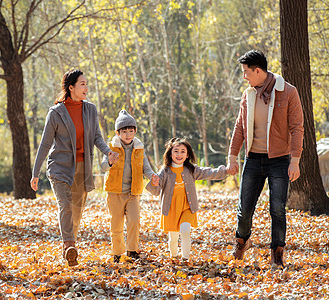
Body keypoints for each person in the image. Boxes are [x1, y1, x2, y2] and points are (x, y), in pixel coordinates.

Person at [30, 69, 118, 267]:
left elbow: (96, 137)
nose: (86, 87)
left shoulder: (90, 110)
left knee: (77, 211)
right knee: (66, 205)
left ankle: (69, 247)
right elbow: (45, 144)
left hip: (82, 167)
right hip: (60, 167)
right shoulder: (56, 113)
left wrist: (108, 152)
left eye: (87, 84)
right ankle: (69, 245)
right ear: (71, 87)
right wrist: (35, 173)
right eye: (82, 84)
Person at [226, 50, 304, 267]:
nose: (244, 77)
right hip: (252, 159)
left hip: (279, 160)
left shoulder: (288, 92)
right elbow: (240, 127)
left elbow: (297, 128)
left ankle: (277, 252)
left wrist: (295, 160)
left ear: (258, 71)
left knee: (277, 209)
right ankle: (242, 242)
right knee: (244, 209)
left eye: (246, 72)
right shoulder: (248, 95)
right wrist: (232, 156)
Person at [146, 138, 227, 263]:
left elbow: (208, 172)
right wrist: (154, 182)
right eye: (176, 151)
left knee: (185, 229)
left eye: (182, 151)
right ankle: (174, 256)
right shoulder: (165, 171)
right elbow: (155, 190)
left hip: (187, 207)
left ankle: (185, 258)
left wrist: (224, 171)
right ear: (170, 153)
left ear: (187, 154)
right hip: (171, 208)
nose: (179, 154)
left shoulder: (191, 170)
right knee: (173, 238)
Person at [101, 109, 158, 263]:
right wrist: (109, 162)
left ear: (135, 131)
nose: (128, 134)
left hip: (133, 192)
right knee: (117, 224)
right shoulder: (111, 147)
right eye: (124, 131)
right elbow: (103, 167)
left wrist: (152, 176)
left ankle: (132, 250)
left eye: (131, 131)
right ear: (117, 132)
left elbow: (145, 167)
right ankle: (118, 253)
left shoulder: (139, 147)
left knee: (134, 221)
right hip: (115, 192)